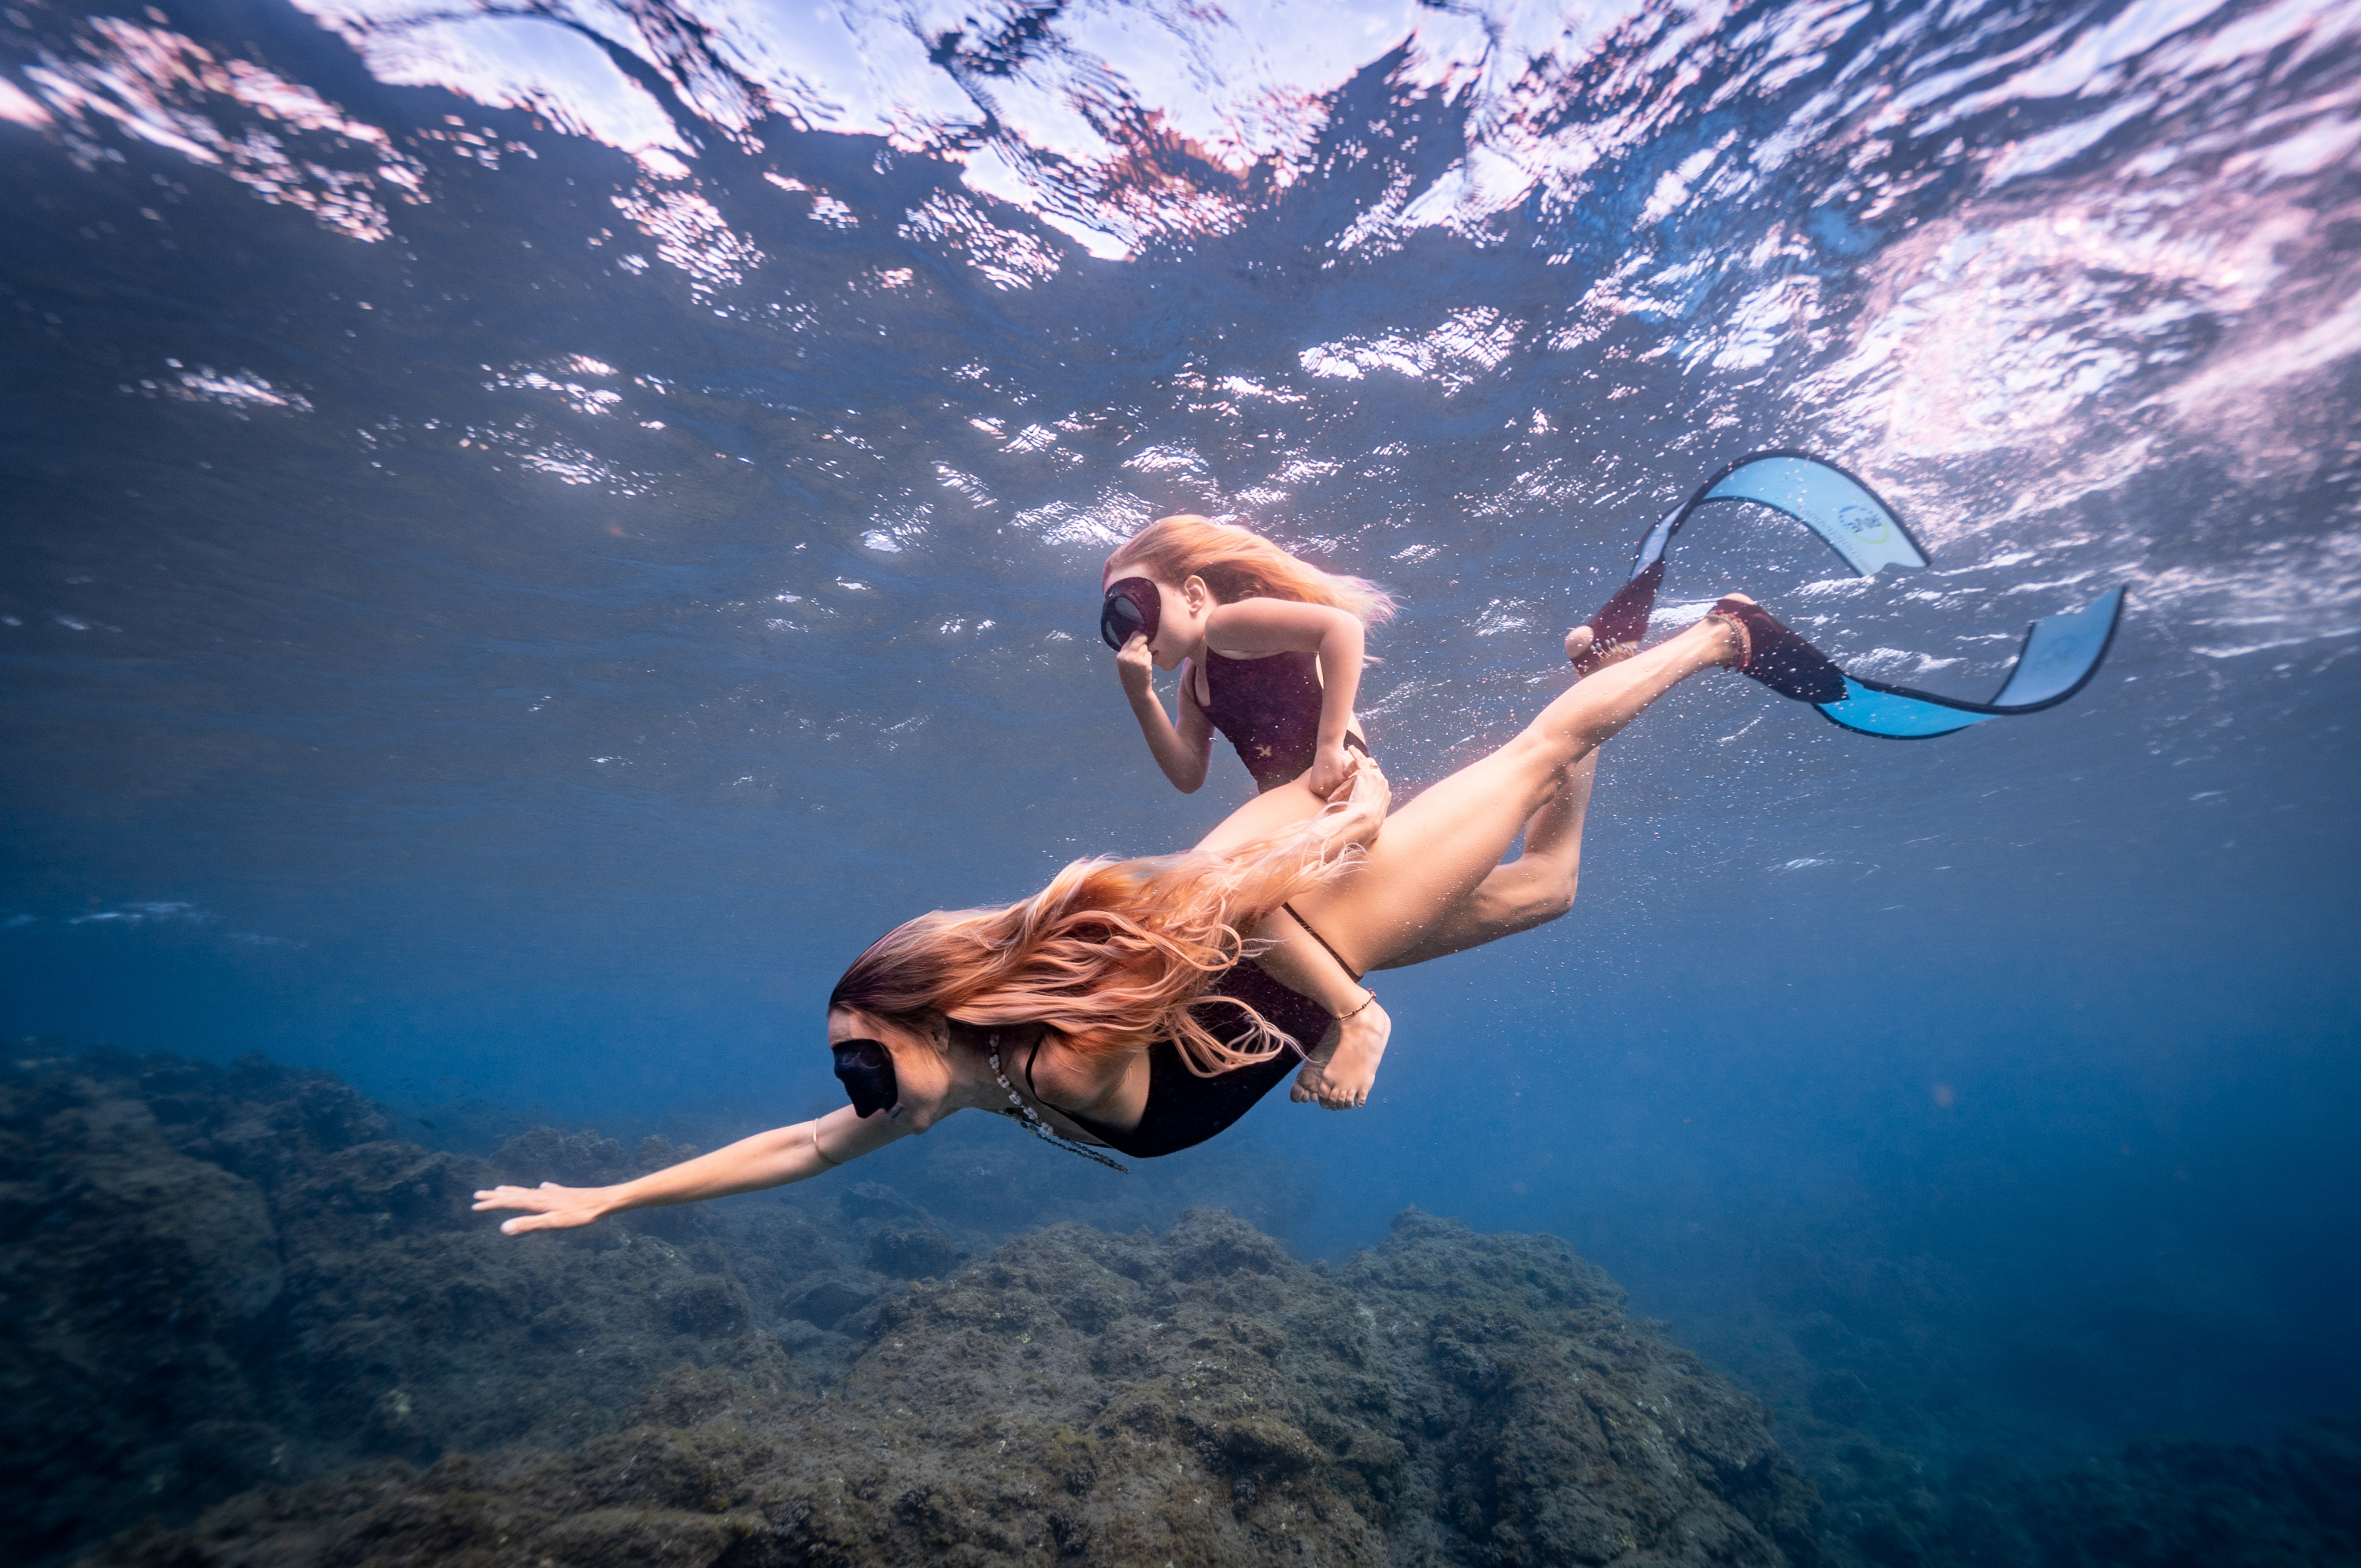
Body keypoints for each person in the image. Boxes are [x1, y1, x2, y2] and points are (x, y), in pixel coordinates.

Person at [475, 594, 1845, 1235]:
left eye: (855, 1057)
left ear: (924, 1017)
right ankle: (1603, 663)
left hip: (1324, 917)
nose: (847, 1090)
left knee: (1535, 751)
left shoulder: (1068, 1021)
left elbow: (1233, 916)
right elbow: (795, 1146)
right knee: (1552, 885)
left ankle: (1719, 636)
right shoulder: (968, 1079)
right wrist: (617, 1194)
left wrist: (1361, 1012)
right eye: (849, 1068)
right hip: (1314, 941)